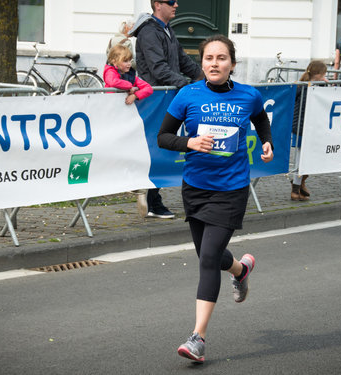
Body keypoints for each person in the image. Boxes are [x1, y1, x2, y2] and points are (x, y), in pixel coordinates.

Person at [157, 34, 274, 363]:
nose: (214, 64)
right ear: (202, 63)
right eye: (209, 58)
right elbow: (164, 137)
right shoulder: (187, 95)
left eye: (222, 58)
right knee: (209, 255)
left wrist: (267, 143)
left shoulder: (248, 95)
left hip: (231, 188)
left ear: (232, 65)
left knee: (208, 258)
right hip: (195, 187)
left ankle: (198, 338)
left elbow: (261, 120)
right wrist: (189, 143)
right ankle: (240, 269)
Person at [130, 0, 203, 219]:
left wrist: (205, 78)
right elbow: (158, 68)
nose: (176, 5)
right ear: (157, 4)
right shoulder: (149, 32)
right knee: (157, 147)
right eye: (171, 1)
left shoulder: (167, 29)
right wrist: (187, 85)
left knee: (162, 146)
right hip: (155, 99)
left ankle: (149, 193)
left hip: (167, 97)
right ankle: (151, 199)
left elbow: (183, 61)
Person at [103, 44, 153, 217]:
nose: (129, 64)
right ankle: (110, 180)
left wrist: (134, 94)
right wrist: (129, 87)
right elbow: (112, 82)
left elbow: (148, 88)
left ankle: (136, 187)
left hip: (127, 120)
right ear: (114, 62)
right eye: (125, 61)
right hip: (111, 118)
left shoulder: (132, 75)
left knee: (131, 150)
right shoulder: (110, 71)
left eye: (130, 60)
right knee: (112, 150)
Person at [290, 60, 328, 201]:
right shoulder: (305, 86)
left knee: (304, 158)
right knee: (301, 159)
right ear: (318, 74)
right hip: (303, 127)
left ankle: (299, 184)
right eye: (324, 74)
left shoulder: (303, 85)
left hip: (305, 126)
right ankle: (296, 186)